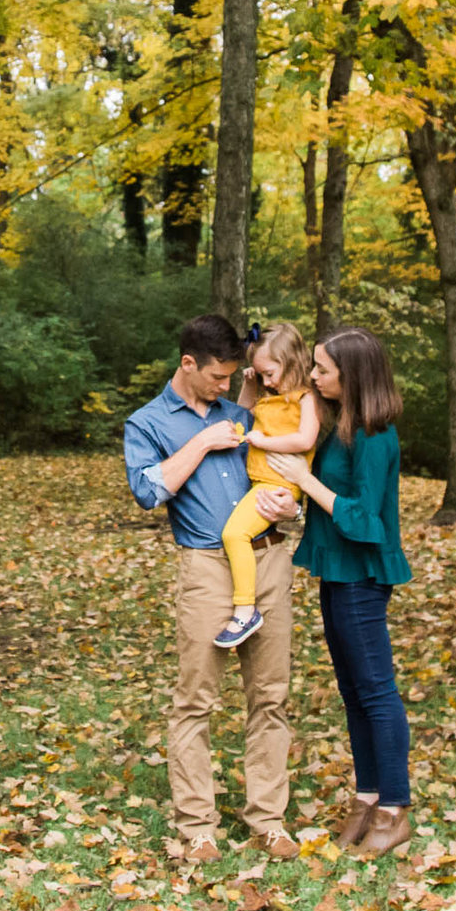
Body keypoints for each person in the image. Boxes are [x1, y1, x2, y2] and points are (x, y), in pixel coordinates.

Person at [122, 313, 302, 863]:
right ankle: (197, 826)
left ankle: (268, 820)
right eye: (217, 377)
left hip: (269, 560)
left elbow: (280, 479)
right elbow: (149, 493)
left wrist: (290, 508)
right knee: (195, 700)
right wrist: (201, 443)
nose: (227, 387)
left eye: (232, 377)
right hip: (205, 569)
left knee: (270, 697)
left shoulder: (241, 415)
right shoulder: (147, 422)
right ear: (187, 363)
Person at [258, 326, 415, 859]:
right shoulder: (342, 428)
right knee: (353, 693)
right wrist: (296, 505)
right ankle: (367, 799)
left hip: (362, 578)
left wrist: (306, 481)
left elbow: (366, 520)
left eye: (324, 368)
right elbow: (329, 503)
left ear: (354, 375)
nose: (315, 375)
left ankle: (395, 808)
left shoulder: (375, 435)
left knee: (375, 691)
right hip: (335, 572)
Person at [214, 322, 321, 650]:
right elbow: (242, 411)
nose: (267, 381)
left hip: (277, 485)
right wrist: (250, 384)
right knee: (237, 535)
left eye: (271, 373)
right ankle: (245, 606)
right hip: (258, 482)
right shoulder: (269, 396)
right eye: (261, 375)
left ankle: (245, 609)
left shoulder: (306, 399)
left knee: (234, 534)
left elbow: (305, 439)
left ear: (294, 362)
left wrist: (265, 440)